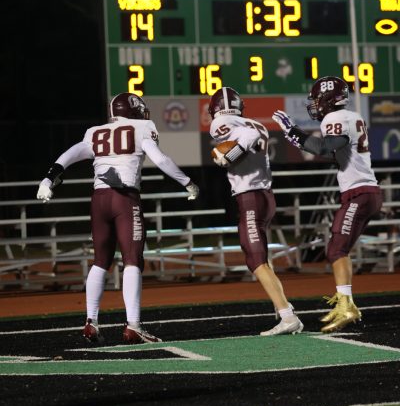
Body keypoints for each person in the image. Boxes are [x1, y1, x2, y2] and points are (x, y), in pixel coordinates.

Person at [37, 93, 199, 345]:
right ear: (134, 110)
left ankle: (91, 321)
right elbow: (160, 159)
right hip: (125, 199)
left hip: (99, 200)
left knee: (100, 261)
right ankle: (133, 325)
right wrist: (187, 183)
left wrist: (49, 179)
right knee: (133, 260)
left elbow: (71, 153)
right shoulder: (142, 127)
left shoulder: (96, 132)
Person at [272, 76, 382, 333]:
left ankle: (346, 305)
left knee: (335, 249)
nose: (315, 105)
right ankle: (346, 302)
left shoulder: (335, 119)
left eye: (317, 99)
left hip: (359, 192)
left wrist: (293, 132)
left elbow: (326, 147)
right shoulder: (351, 116)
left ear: (328, 99)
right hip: (366, 191)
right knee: (338, 249)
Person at [208, 86, 303, 336]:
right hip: (264, 195)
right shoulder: (252, 122)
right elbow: (250, 134)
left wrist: (230, 156)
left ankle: (286, 315)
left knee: (255, 259)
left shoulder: (222, 122)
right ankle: (283, 308)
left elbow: (247, 138)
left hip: (250, 197)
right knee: (262, 256)